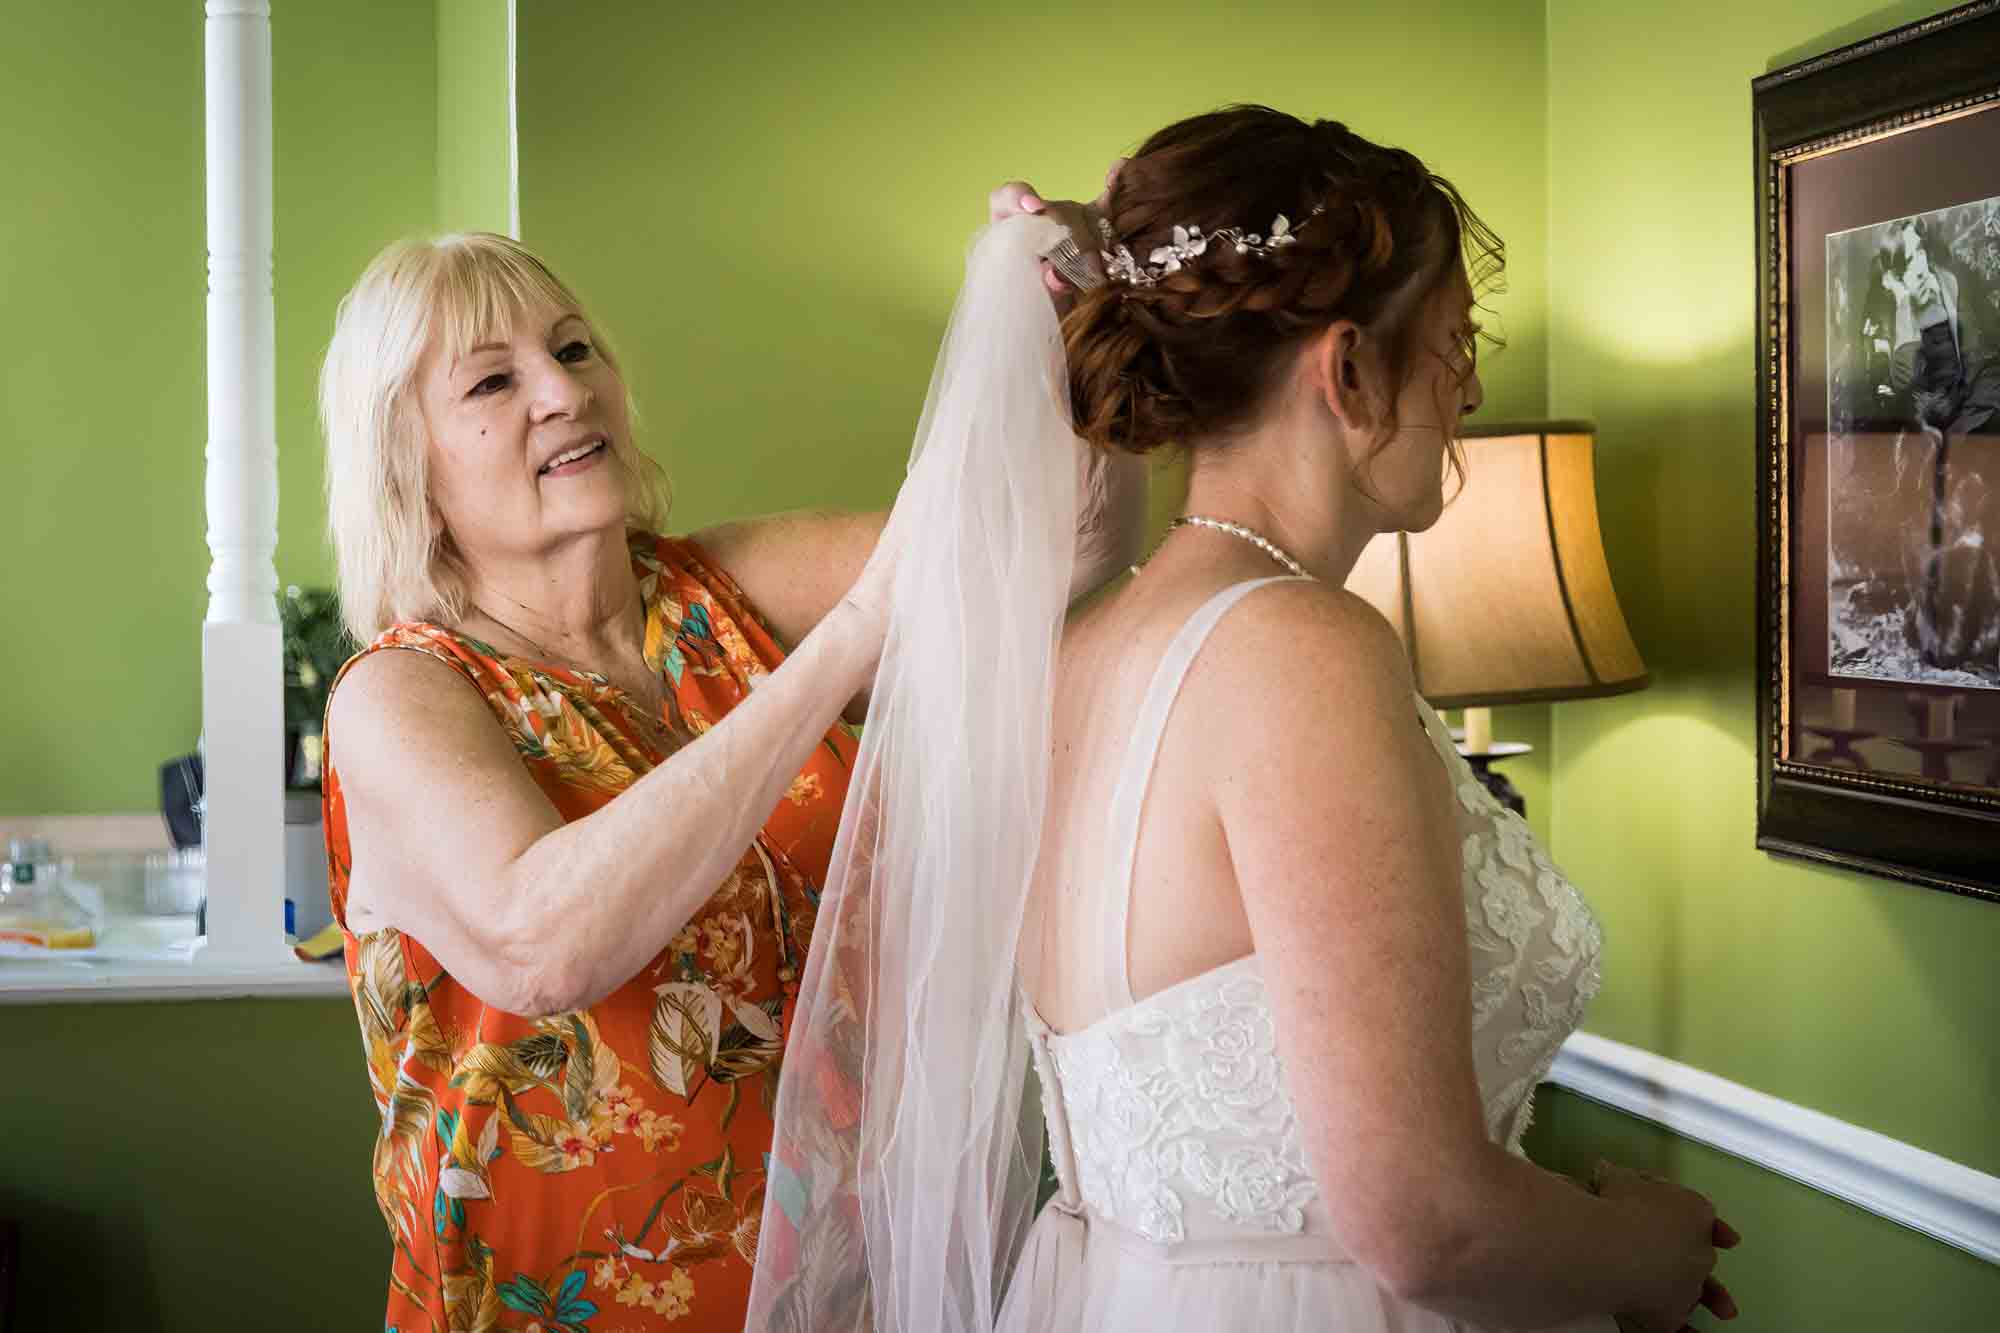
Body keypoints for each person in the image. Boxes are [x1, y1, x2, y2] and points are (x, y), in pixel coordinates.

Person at [752, 106, 1740, 1333]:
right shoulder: (1302, 653)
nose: (1471, 387)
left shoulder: (1092, 646)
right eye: (1450, 342)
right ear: (1344, 371)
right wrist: (1640, 1247)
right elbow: (1425, 1220)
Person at [316, 224, 1138, 1332]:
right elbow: (541, 944)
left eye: (571, 350)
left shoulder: (726, 589)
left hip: (831, 1295)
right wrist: (851, 636)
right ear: (404, 462)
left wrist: (1077, 318)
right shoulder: (399, 694)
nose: (560, 393)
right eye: (493, 381)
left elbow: (1070, 544)